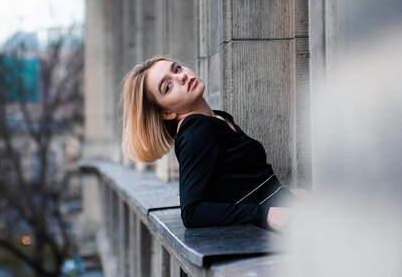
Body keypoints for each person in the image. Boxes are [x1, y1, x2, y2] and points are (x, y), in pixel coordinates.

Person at [121, 56, 304, 233]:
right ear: (167, 113)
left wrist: (287, 195)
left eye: (177, 68)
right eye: (168, 86)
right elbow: (192, 212)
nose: (181, 76)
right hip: (271, 232)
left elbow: (241, 183)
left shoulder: (216, 118)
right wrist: (266, 215)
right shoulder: (195, 131)